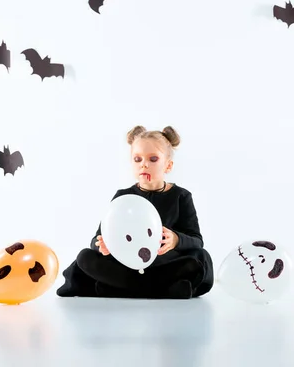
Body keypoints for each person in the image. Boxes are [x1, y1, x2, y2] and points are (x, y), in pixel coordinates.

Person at [56, 125, 214, 299]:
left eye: (153, 159)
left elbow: (197, 241)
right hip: (125, 263)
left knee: (200, 258)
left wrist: (176, 240)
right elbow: (97, 238)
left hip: (162, 263)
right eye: (137, 159)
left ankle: (116, 289)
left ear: (168, 165)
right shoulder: (122, 196)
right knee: (85, 257)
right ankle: (160, 290)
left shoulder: (181, 196)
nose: (144, 164)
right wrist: (101, 246)